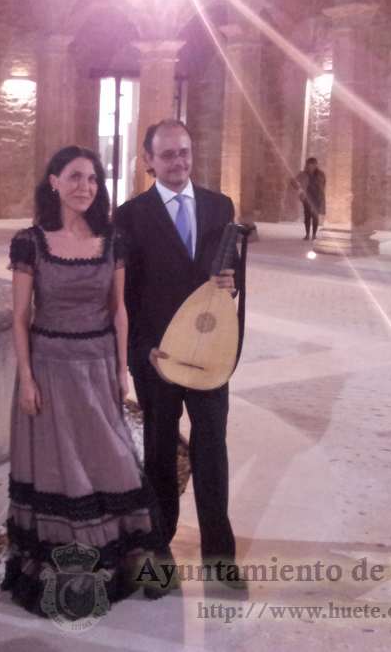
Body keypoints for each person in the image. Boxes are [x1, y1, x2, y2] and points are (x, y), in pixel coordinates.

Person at [3, 145, 162, 617]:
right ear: (53, 182)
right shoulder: (30, 242)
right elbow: (19, 316)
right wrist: (26, 377)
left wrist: (120, 369)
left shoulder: (112, 240)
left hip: (97, 366)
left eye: (92, 179)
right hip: (49, 369)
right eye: (74, 177)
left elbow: (119, 310)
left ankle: (130, 567)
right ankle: (71, 581)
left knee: (115, 462)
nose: (84, 187)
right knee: (61, 473)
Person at [114, 119, 245, 591]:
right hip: (159, 358)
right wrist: (140, 351)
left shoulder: (219, 206)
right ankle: (158, 556)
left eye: (184, 152)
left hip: (210, 354)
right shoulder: (129, 216)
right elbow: (124, 295)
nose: (178, 161)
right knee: (159, 456)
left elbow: (231, 278)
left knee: (212, 454)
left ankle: (220, 559)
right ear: (149, 160)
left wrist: (231, 286)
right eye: (167, 154)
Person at [293, 157, 326, 240]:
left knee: (315, 216)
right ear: (307, 165)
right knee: (307, 215)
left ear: (316, 165)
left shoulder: (321, 174)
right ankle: (307, 234)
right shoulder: (303, 174)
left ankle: (314, 235)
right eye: (310, 165)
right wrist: (298, 188)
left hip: (317, 197)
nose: (311, 166)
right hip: (307, 197)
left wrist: (320, 192)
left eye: (313, 164)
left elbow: (323, 183)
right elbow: (294, 181)